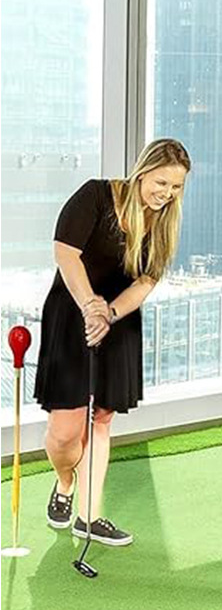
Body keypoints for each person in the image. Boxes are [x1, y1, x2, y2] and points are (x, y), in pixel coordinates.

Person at [35, 138, 192, 545]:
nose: (167, 194)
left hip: (118, 321)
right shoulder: (95, 195)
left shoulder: (164, 224)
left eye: (176, 187)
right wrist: (90, 305)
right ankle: (65, 482)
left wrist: (109, 313)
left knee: (101, 418)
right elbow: (65, 253)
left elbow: (144, 282)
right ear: (142, 172)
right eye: (161, 183)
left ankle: (89, 517)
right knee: (65, 431)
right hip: (71, 313)